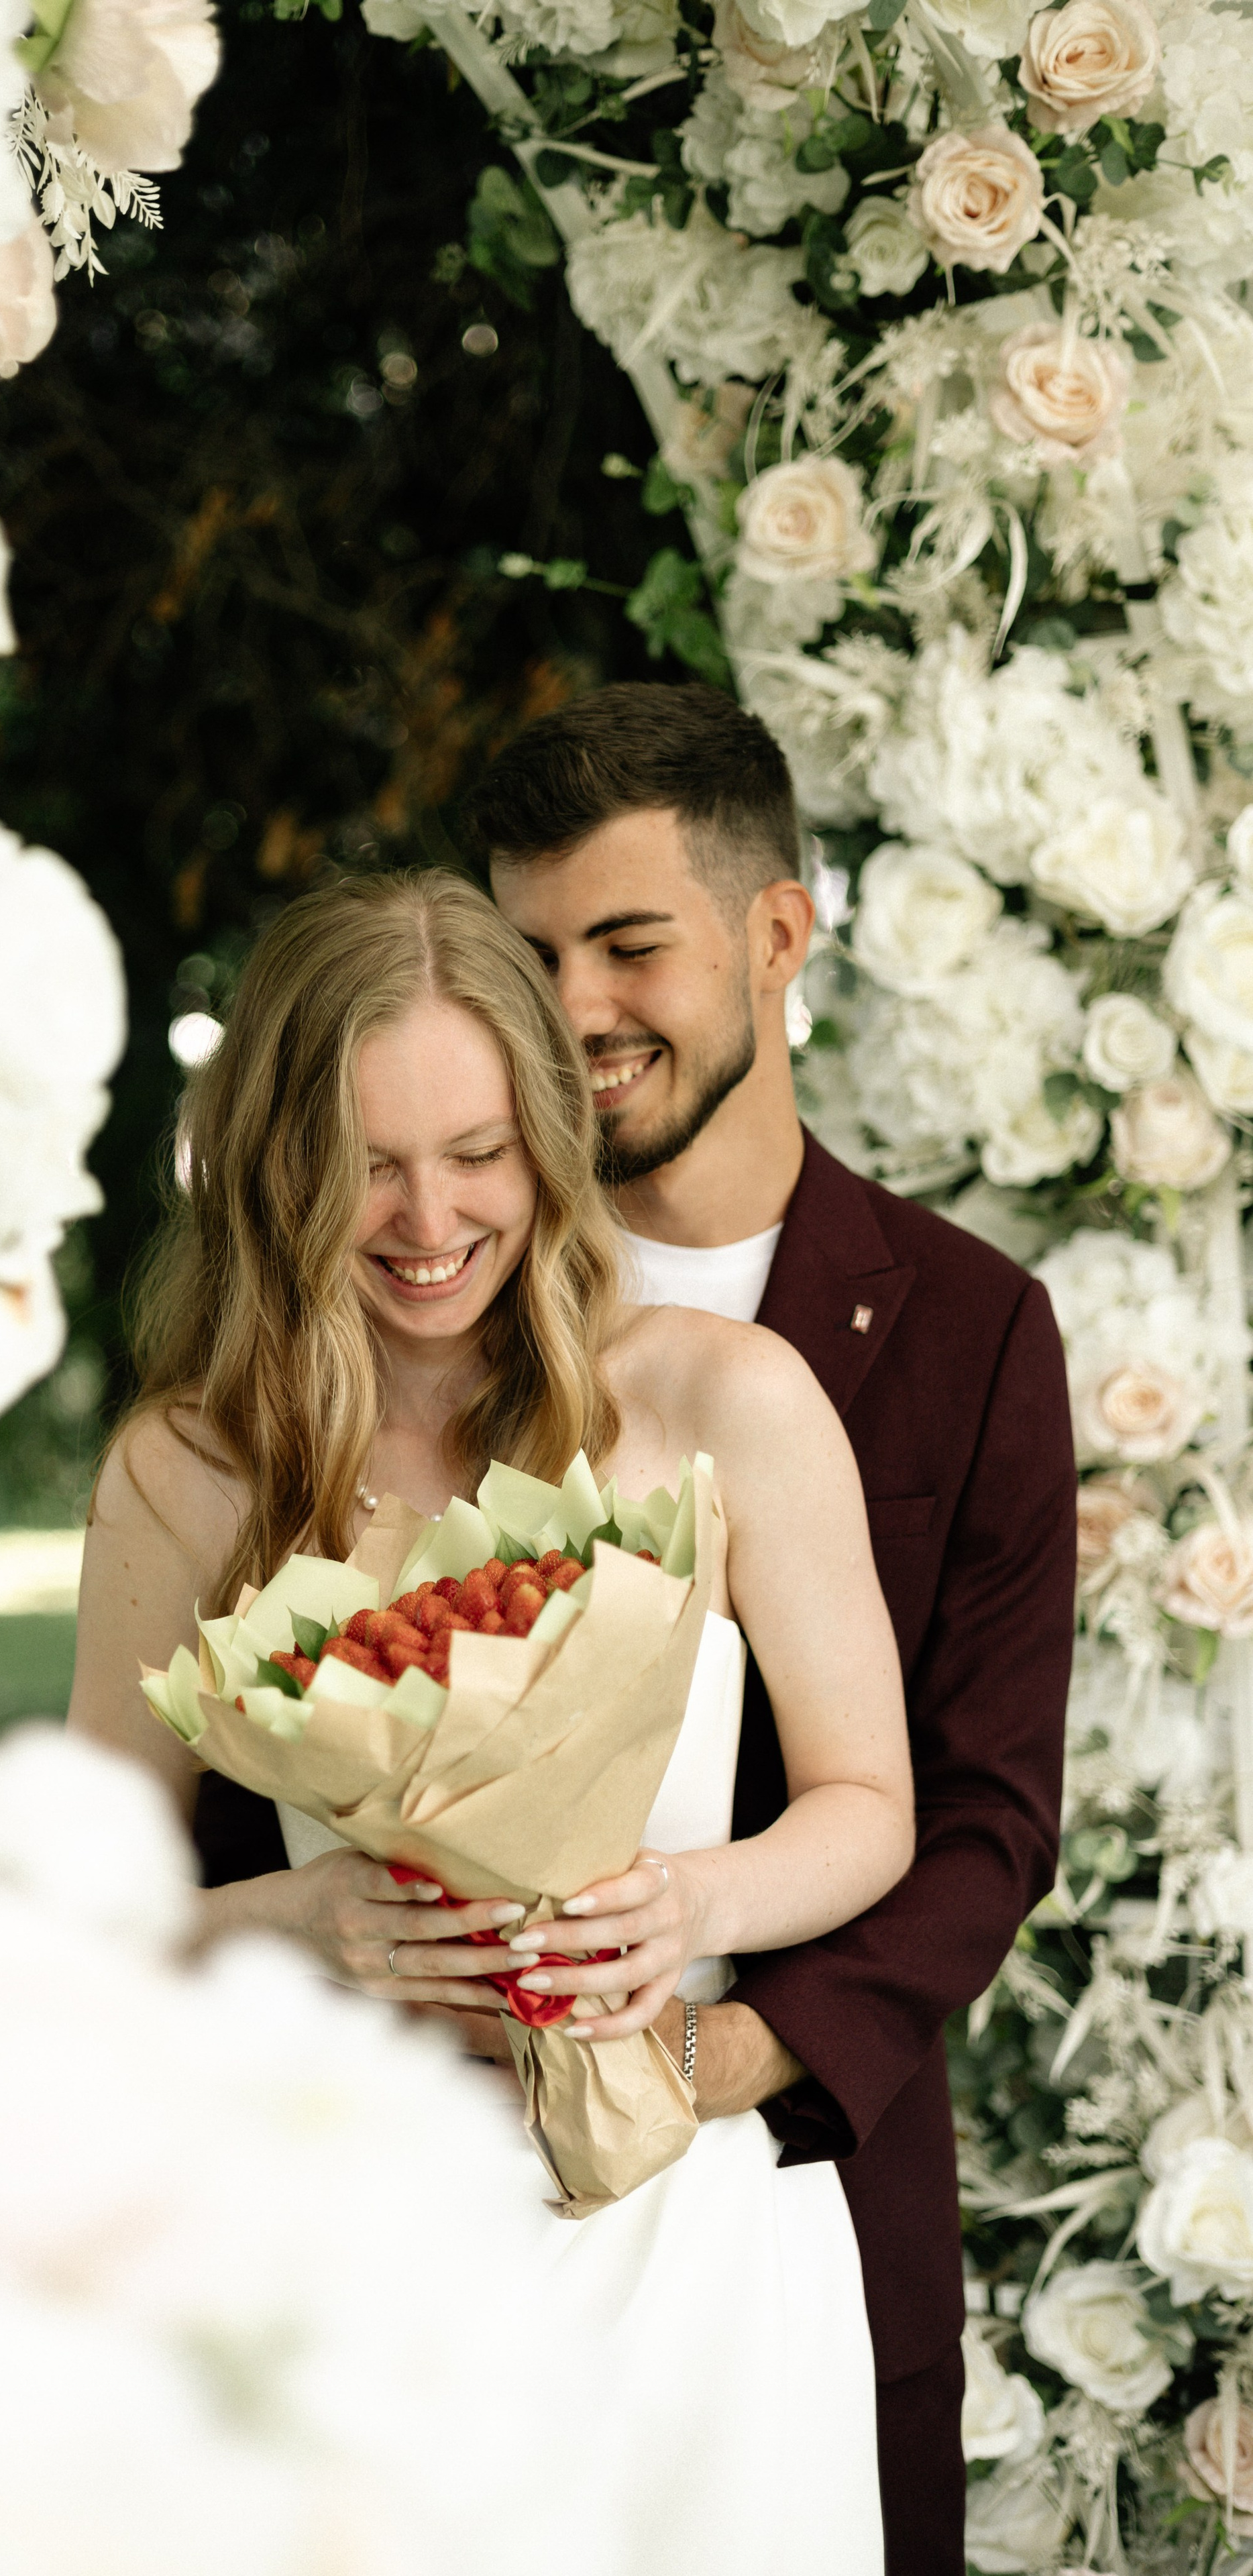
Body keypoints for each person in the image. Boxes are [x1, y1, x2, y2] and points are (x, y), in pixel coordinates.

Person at [70, 869, 914, 2573]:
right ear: (276, 1166)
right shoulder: (187, 1467)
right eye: (364, 1162)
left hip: (692, 2226)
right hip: (350, 2233)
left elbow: (871, 1803)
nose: (425, 1215)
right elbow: (75, 1914)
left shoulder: (720, 1400)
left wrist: (700, 1906)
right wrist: (296, 1921)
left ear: (548, 1136)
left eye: (475, 1153)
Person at [465, 681, 1077, 2576]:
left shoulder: (972, 1331)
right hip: (458, 2198)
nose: (576, 1011)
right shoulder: (438, 1313)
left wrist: (734, 2062)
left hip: (813, 2174)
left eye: (629, 945)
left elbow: (986, 1816)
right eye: (531, 956)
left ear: (778, 933)